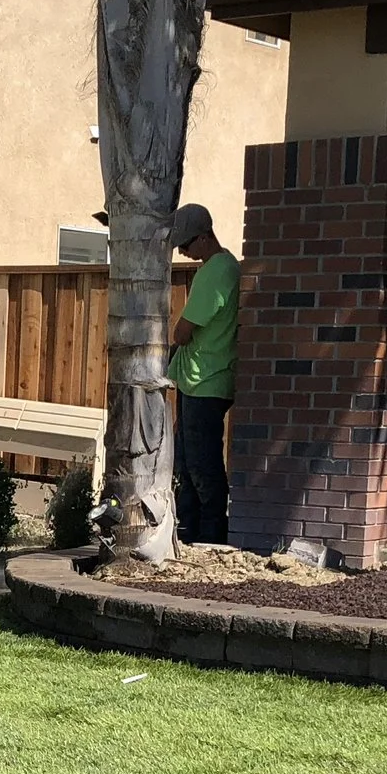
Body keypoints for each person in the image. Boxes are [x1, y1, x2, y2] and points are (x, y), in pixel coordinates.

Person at [168, 202, 239, 545]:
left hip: (205, 381)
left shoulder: (217, 270)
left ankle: (211, 531)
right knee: (186, 459)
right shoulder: (219, 268)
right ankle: (188, 529)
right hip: (199, 380)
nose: (183, 251)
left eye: (186, 244)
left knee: (200, 461)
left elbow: (183, 331)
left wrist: (178, 334)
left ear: (205, 236)